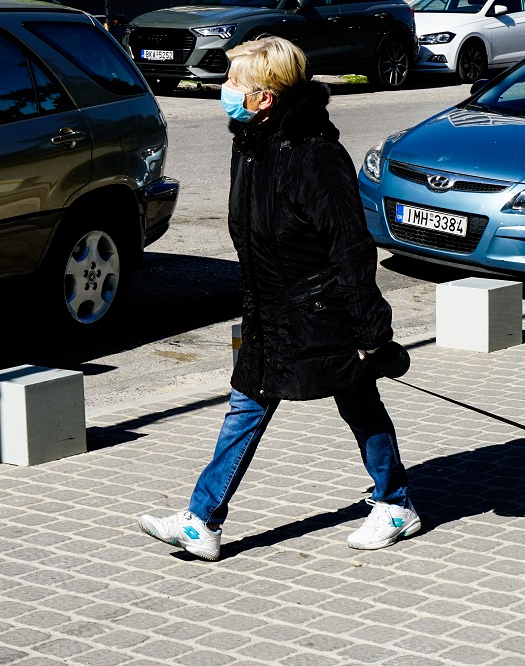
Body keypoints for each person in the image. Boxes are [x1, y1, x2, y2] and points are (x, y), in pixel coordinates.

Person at [137, 36, 420, 562]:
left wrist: (372, 334)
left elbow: (351, 247)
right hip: (266, 308)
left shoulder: (315, 155)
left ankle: (395, 503)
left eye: (233, 83)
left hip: (321, 309)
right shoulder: (250, 143)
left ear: (264, 98)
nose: (223, 91)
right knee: (247, 403)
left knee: (357, 398)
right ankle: (202, 520)